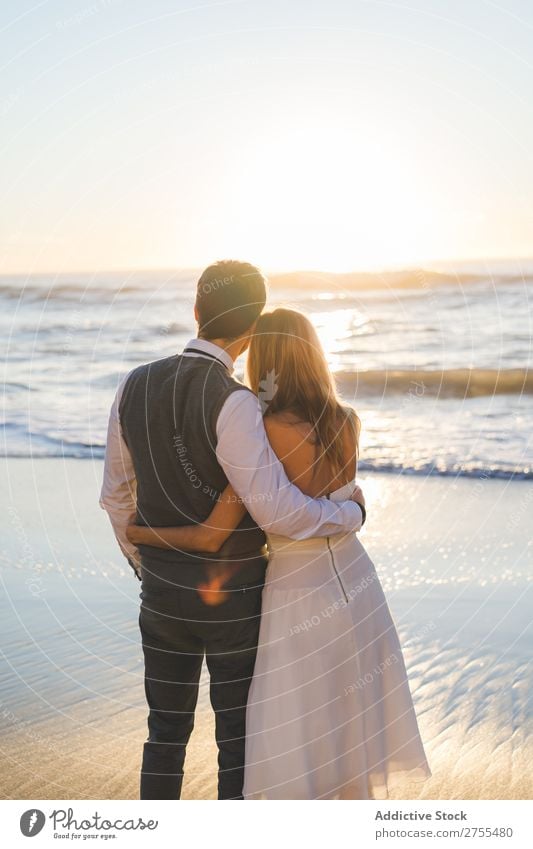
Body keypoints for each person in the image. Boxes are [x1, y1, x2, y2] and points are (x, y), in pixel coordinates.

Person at [127, 307, 431, 799]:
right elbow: (337, 498)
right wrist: (353, 516)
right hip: (357, 588)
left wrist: (143, 535)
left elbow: (218, 531)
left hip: (297, 592)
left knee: (293, 732)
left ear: (262, 355)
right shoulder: (347, 419)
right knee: (345, 728)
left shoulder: (263, 429)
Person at [100, 262, 365, 800]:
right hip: (235, 598)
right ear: (251, 331)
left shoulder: (134, 383)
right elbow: (279, 514)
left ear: (196, 311)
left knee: (164, 733)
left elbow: (115, 497)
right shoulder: (236, 401)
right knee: (238, 740)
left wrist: (146, 563)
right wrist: (348, 515)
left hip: (162, 593)